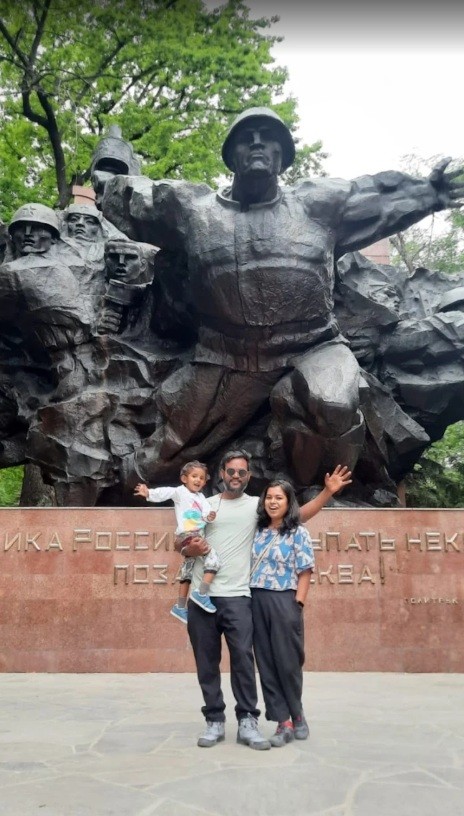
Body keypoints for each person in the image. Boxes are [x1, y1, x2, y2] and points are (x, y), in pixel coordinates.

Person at [102, 106, 464, 492]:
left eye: (269, 137)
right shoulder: (194, 210)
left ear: (283, 155)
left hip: (314, 345)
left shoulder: (318, 204)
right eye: (247, 137)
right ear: (231, 155)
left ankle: (309, 493)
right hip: (227, 356)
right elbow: (135, 199)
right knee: (153, 466)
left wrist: (431, 193)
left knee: (333, 402)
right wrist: (106, 181)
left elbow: (376, 195)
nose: (258, 143)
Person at [179, 449, 351, 750]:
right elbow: (180, 540)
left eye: (241, 472)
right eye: (231, 471)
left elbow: (296, 516)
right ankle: (214, 720)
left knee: (244, 662)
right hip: (202, 597)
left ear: (248, 475)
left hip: (239, 597)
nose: (235, 476)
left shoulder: (256, 508)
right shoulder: (202, 505)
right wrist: (186, 548)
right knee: (206, 663)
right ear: (221, 474)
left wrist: (327, 493)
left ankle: (248, 720)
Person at [251, 479, 315, 747]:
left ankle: (297, 714)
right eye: (269, 497)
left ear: (289, 502)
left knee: (288, 663)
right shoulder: (256, 530)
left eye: (279, 498)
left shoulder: (298, 532)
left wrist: (297, 604)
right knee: (266, 664)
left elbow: (305, 570)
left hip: (284, 600)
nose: (273, 502)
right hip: (255, 599)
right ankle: (283, 722)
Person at [134, 461, 220, 623]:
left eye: (201, 478)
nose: (198, 480)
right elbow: (165, 492)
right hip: (189, 535)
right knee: (214, 560)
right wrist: (148, 493)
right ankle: (201, 593)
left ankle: (180, 607)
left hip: (196, 535)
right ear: (184, 478)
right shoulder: (180, 492)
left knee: (187, 572)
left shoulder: (201, 497)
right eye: (194, 476)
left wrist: (210, 516)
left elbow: (206, 513)